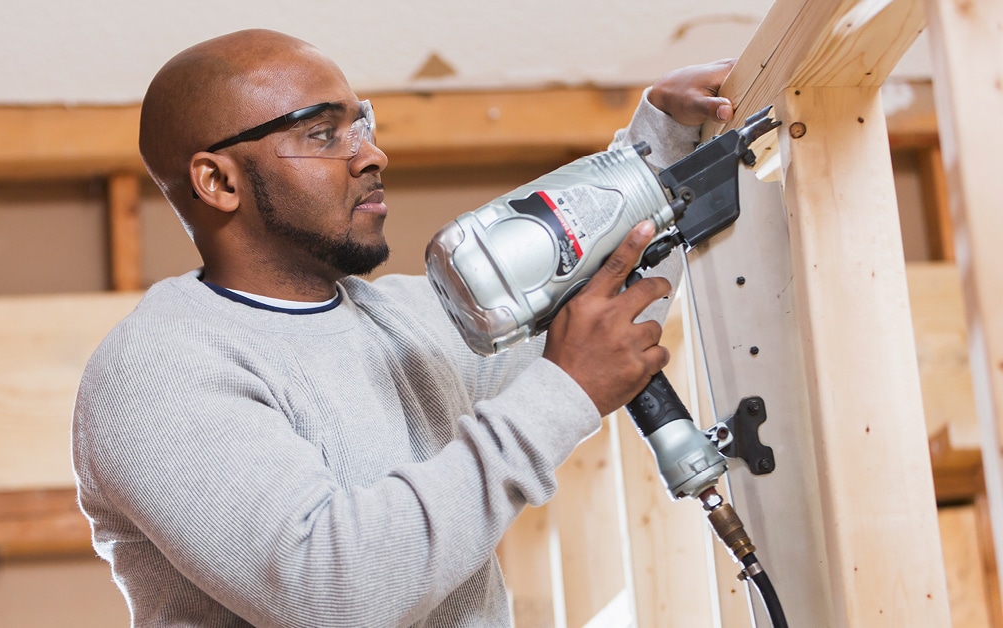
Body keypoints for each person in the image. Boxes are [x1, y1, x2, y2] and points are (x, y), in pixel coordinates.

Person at [73, 28, 734, 627]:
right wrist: (562, 392)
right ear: (218, 180)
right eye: (323, 134)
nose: (373, 155)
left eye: (362, 125)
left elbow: (614, 317)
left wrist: (662, 141)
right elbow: (334, 593)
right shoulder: (158, 368)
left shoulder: (408, 323)